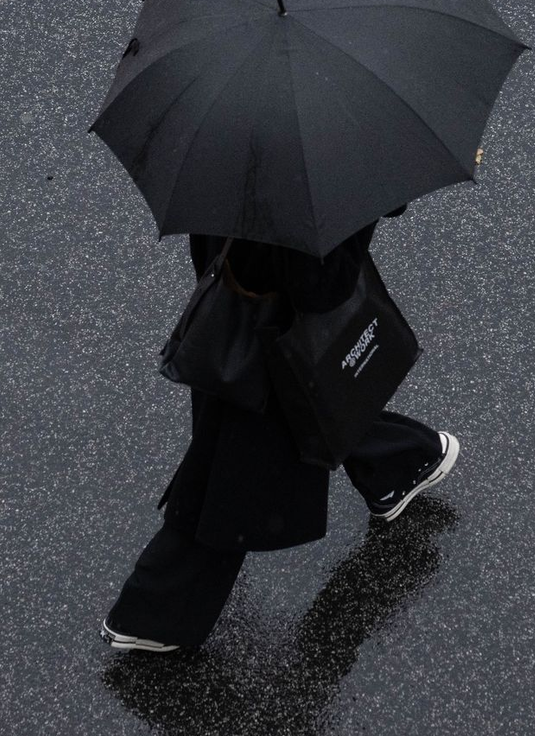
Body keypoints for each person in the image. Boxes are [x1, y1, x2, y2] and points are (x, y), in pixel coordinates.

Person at [101, 204, 461, 653]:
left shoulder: (235, 154)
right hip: (269, 351)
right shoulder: (312, 190)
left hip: (226, 327)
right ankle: (152, 618)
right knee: (230, 487)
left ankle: (400, 463)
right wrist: (363, 215)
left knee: (264, 436)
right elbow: (322, 288)